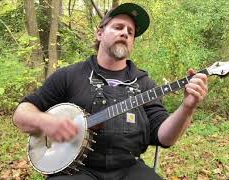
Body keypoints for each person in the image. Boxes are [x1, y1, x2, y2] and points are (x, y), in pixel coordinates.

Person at [13, 3, 208, 180]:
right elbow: (21, 114)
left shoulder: (145, 84)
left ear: (132, 43)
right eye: (118, 27)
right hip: (77, 171)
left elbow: (165, 138)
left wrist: (187, 108)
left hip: (129, 168)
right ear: (99, 33)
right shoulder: (69, 75)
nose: (125, 33)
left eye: (130, 32)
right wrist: (46, 122)